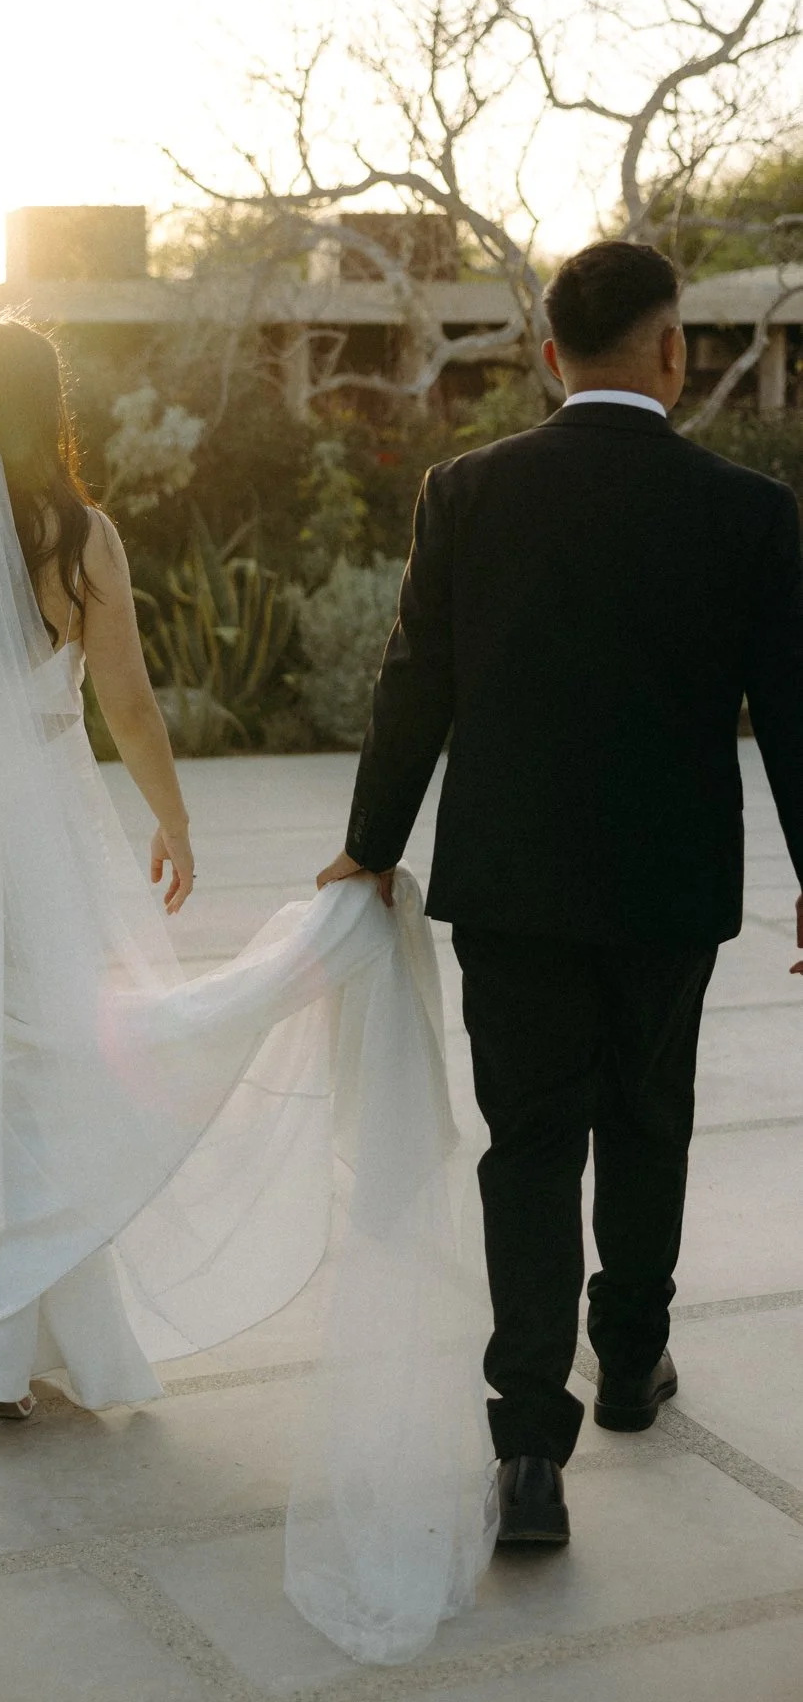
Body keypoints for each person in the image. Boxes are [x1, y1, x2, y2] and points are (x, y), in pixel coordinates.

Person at [0, 313, 493, 1665]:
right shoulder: (81, 537)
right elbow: (127, 703)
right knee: (53, 1040)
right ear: (41, 402)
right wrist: (170, 818)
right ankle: (32, 1266)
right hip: (40, 818)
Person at [318, 239, 803, 1549]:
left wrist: (368, 843)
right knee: (648, 1119)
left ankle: (529, 1438)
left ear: (545, 358)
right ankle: (631, 1364)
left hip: (513, 886)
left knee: (527, 1144)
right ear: (673, 350)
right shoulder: (744, 511)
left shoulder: (466, 490)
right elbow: (795, 711)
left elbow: (413, 679)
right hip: (668, 887)